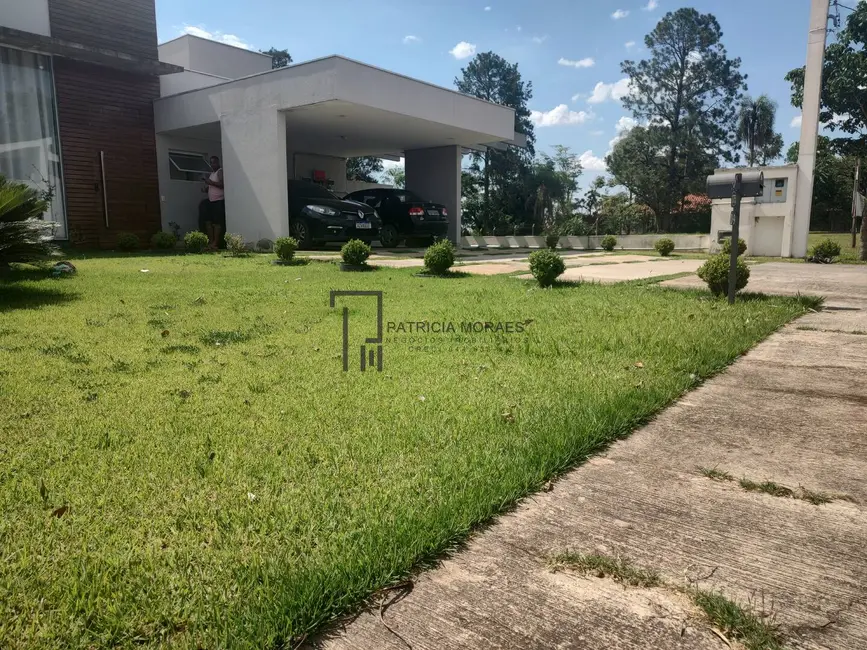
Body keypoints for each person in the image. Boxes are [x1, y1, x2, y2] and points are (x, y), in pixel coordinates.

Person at [202, 156, 225, 250]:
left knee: (217, 223)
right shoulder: (212, 173)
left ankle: (215, 243)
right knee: (208, 222)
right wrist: (206, 189)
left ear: (218, 162)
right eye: (211, 163)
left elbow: (222, 185)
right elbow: (212, 186)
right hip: (211, 201)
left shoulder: (220, 172)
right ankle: (211, 242)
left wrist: (210, 183)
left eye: (214, 162)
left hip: (218, 201)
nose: (212, 165)